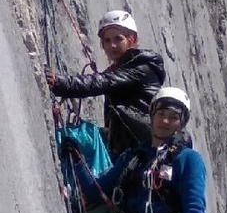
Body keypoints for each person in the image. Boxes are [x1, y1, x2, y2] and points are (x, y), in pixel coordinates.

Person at [46, 10, 166, 158]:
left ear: (132, 39)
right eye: (107, 41)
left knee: (79, 138)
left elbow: (100, 82)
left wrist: (59, 83)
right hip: (129, 144)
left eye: (118, 39)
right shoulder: (127, 67)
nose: (112, 45)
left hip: (136, 148)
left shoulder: (140, 67)